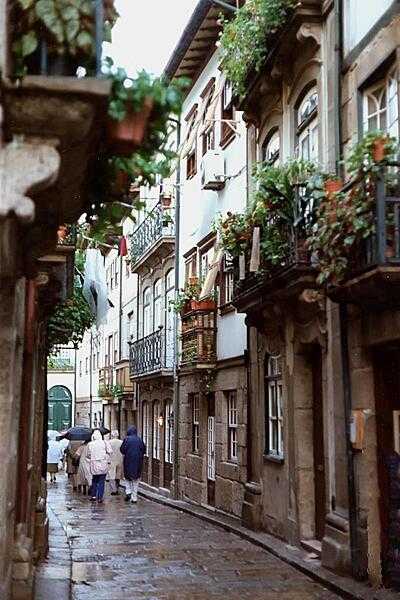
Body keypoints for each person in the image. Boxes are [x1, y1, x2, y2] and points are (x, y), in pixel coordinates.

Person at [120, 426, 145, 504]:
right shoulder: (139, 440)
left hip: (128, 461)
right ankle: (134, 497)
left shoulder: (126, 439)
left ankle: (128, 491)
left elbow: (122, 450)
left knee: (127, 478)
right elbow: (144, 450)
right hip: (138, 462)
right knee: (136, 479)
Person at [87, 429, 112, 503]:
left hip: (94, 464)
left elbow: (88, 455)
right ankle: (100, 497)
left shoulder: (90, 444)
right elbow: (110, 451)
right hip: (103, 464)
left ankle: (93, 495)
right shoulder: (105, 443)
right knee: (101, 481)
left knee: (94, 480)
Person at [108, 430, 123, 496]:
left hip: (111, 460)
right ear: (117, 435)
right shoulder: (121, 442)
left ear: (112, 435)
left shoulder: (109, 442)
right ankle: (117, 488)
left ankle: (113, 490)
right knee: (118, 475)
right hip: (119, 459)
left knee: (111, 475)